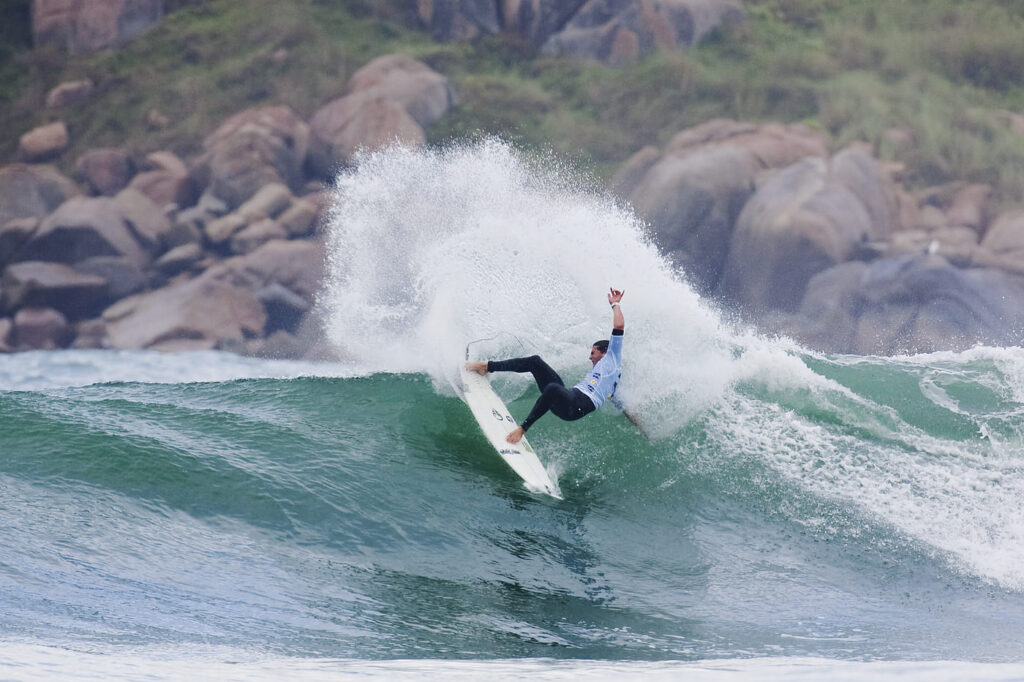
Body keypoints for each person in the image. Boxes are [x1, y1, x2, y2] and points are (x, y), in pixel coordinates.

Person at [466, 288, 625, 443]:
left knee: (553, 389)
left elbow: (618, 327)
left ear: (605, 351)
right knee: (535, 361)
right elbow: (622, 404)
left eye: (593, 352)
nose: (590, 357)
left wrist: (615, 304)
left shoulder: (612, 357)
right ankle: (486, 367)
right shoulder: (606, 376)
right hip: (568, 398)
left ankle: (522, 429)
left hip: (576, 407)